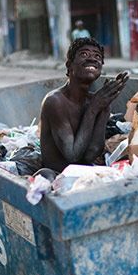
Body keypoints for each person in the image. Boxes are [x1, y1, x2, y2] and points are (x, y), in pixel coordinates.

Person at [39, 37, 128, 173]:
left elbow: (91, 154)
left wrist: (104, 108)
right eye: (84, 54)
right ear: (69, 65)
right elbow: (72, 156)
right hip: (59, 176)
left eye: (97, 56)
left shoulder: (97, 101)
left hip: (84, 174)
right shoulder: (55, 101)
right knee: (45, 175)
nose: (92, 59)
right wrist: (93, 108)